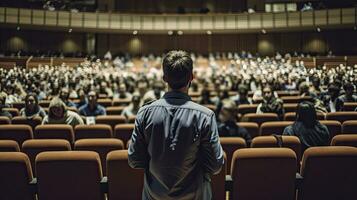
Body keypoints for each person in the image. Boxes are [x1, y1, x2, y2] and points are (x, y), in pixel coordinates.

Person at [128, 50, 224, 200]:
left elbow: (134, 160)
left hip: (154, 196)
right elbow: (216, 166)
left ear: (164, 78)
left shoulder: (144, 113)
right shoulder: (205, 116)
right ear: (191, 77)